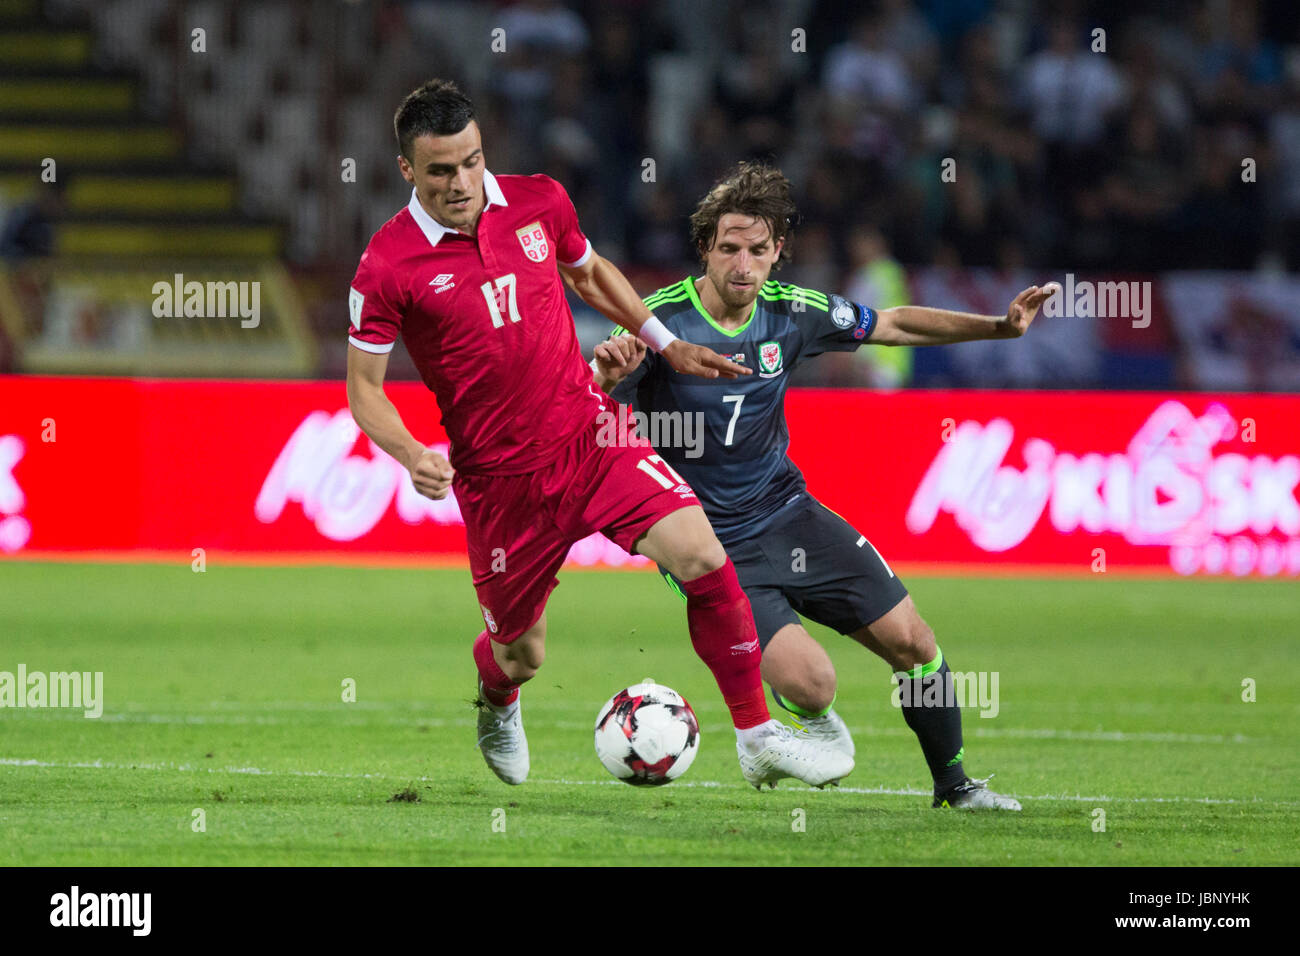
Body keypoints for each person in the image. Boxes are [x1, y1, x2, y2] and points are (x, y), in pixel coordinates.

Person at [345, 83, 852, 789]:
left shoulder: (538, 201)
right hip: (501, 482)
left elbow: (588, 274)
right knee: (520, 654)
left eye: (471, 161)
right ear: (407, 171)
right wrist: (409, 454)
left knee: (703, 556)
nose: (461, 183)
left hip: (591, 433)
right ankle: (497, 699)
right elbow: (363, 389)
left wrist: (665, 343)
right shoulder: (387, 265)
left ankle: (756, 734)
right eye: (440, 171)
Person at [593, 162, 1057, 809]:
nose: (743, 263)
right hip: (707, 541)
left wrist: (998, 327)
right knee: (813, 684)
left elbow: (891, 324)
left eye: (758, 249)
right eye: (729, 247)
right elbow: (589, 399)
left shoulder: (795, 313)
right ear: (705, 248)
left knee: (915, 643)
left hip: (788, 512)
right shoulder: (658, 322)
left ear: (779, 251)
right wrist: (605, 375)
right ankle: (798, 725)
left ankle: (956, 787)